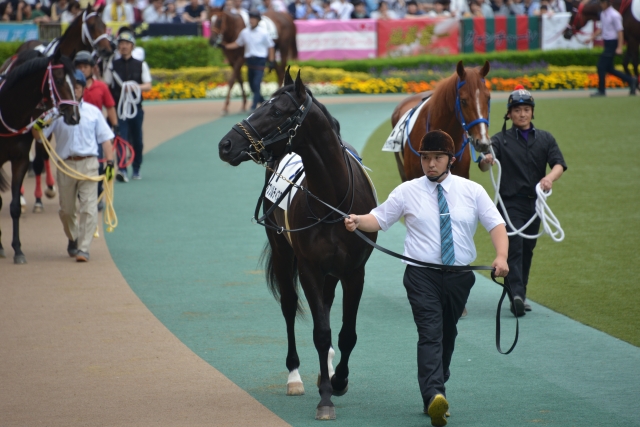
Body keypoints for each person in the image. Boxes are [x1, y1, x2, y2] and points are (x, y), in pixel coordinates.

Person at [345, 130, 509, 427]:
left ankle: (437, 381)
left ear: (451, 160)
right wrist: (358, 220)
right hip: (421, 276)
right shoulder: (407, 191)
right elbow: (379, 219)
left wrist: (501, 256)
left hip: (460, 277)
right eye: (425, 158)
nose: (430, 164)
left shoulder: (471, 190)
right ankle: (434, 393)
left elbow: (496, 224)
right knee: (430, 332)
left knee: (447, 332)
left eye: (437, 158)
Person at [479, 86, 566, 317]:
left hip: (535, 204)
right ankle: (516, 295)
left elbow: (558, 164)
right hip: (509, 205)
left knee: (527, 249)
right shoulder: (500, 140)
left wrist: (549, 178)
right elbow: (484, 163)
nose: (522, 114)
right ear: (509, 114)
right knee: (514, 248)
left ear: (532, 112)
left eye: (526, 109)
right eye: (517, 110)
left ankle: (520, 294)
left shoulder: (546, 138)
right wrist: (487, 159)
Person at [33, 70, 115, 262]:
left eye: (77, 87)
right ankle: (73, 237)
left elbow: (106, 139)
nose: (74, 90)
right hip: (65, 166)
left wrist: (110, 163)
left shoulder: (94, 112)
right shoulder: (55, 113)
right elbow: (39, 138)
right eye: (71, 87)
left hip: (89, 164)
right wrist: (38, 125)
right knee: (67, 211)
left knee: (89, 207)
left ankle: (84, 248)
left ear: (82, 89)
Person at [104, 29, 152, 182]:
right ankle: (122, 169)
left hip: (136, 109)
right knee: (120, 138)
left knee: (137, 140)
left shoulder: (140, 65)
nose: (124, 46)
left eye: (126, 43)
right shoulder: (113, 65)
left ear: (132, 46)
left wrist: (134, 87)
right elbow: (107, 85)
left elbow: (148, 85)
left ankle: (136, 168)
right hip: (119, 110)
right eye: (121, 44)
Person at [74, 50, 118, 211]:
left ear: (92, 68)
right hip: (77, 131)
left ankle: (98, 193)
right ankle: (82, 194)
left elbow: (110, 107)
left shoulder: (101, 87)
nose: (82, 69)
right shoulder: (71, 88)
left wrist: (115, 125)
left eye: (85, 66)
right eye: (79, 66)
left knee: (99, 165)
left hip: (96, 131)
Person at [222, 11, 275, 111]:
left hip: (260, 60)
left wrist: (271, 61)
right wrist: (225, 46)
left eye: (254, 19)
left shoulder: (263, 33)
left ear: (258, 21)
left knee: (256, 83)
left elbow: (270, 46)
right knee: (251, 85)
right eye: (250, 18)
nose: (252, 21)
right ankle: (263, 101)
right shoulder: (245, 32)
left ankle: (253, 106)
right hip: (250, 61)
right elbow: (237, 44)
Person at [590, 0, 636, 96]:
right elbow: (602, 28)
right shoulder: (603, 14)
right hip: (607, 42)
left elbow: (620, 32)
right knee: (610, 68)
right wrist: (592, 37)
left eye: (602, 3)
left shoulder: (615, 15)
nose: (601, 4)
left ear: (607, 3)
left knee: (601, 66)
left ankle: (601, 90)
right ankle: (631, 80)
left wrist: (619, 47)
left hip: (612, 42)